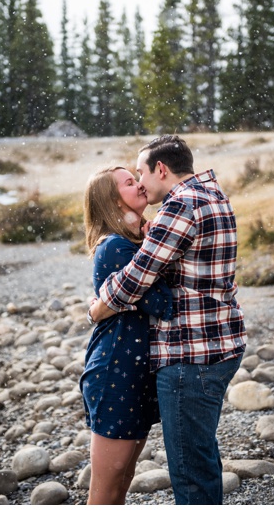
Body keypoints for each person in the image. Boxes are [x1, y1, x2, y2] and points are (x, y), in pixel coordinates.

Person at [88, 135, 247, 505]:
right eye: (131, 181)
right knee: (199, 457)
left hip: (191, 354)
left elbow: (133, 283)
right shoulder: (212, 195)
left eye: (140, 173)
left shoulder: (180, 206)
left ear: (161, 169)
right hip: (218, 345)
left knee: (191, 471)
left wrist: (96, 307)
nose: (141, 183)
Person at [80, 166, 174, 504]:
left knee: (123, 481)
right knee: (105, 490)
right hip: (116, 372)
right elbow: (161, 303)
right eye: (129, 183)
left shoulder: (136, 243)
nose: (140, 185)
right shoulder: (116, 247)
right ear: (113, 201)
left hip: (137, 370)